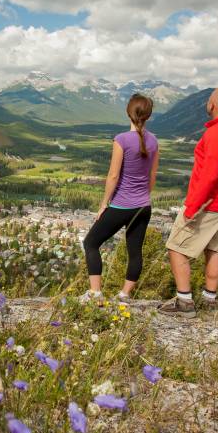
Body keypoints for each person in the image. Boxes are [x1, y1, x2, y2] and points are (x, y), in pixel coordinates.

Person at [158, 86, 218, 318]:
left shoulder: (217, 133)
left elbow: (210, 174)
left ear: (212, 104)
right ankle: (209, 299)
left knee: (176, 248)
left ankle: (184, 302)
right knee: (214, 249)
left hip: (209, 204)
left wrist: (191, 207)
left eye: (208, 101)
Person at [80, 93, 159, 303]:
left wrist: (104, 204)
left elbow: (113, 175)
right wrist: (143, 197)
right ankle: (124, 295)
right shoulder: (154, 141)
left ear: (128, 113)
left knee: (90, 243)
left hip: (121, 205)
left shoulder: (121, 139)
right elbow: (152, 176)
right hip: (143, 206)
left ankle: (95, 293)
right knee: (135, 251)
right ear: (148, 116)